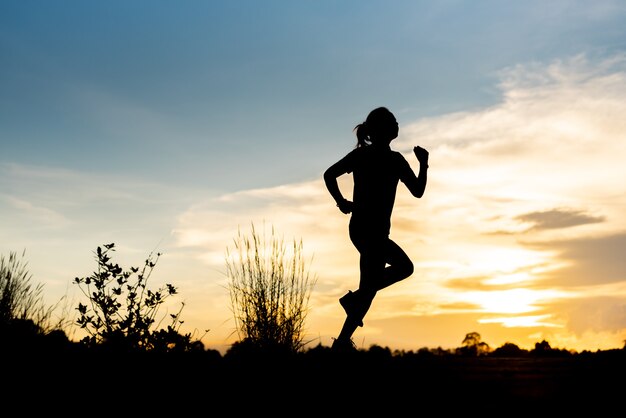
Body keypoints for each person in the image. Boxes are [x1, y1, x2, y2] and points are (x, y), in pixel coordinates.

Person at [323, 106, 429, 351]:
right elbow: (329, 174)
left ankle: (341, 342)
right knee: (404, 267)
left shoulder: (395, 160)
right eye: (392, 121)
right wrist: (340, 201)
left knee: (369, 287)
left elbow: (417, 191)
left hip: (373, 231)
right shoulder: (367, 156)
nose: (397, 123)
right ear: (383, 129)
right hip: (365, 229)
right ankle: (353, 301)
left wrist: (423, 164)